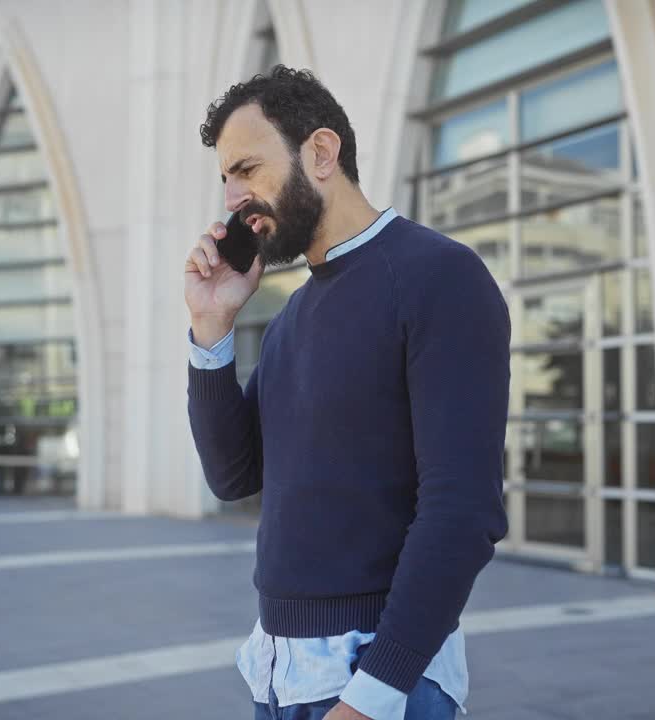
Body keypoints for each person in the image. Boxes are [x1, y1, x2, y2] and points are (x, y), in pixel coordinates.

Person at [184, 66, 510, 720]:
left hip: (378, 684)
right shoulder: (289, 320)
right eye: (226, 178)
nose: (232, 199)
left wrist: (373, 693)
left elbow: (463, 511)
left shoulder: (439, 278)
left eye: (246, 169)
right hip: (282, 678)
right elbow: (232, 476)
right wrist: (211, 325)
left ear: (322, 153)